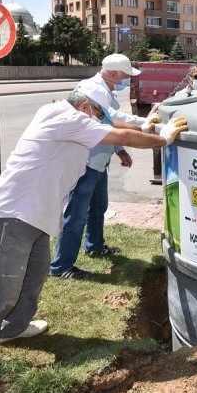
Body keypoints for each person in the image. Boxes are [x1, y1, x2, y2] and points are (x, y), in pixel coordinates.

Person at [0, 91, 187, 375]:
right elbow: (119, 136)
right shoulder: (67, 118)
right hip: (13, 215)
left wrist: (142, 125)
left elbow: (113, 125)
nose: (99, 122)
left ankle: (12, 328)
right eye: (97, 115)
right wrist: (163, 139)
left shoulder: (65, 116)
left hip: (34, 217)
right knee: (0, 286)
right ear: (85, 107)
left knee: (34, 276)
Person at [60, 54, 148, 261]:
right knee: (77, 213)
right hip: (86, 163)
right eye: (125, 76)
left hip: (98, 162)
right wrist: (145, 123)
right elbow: (112, 119)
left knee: (99, 207)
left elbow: (107, 127)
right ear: (113, 74)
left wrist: (119, 149)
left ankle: (95, 246)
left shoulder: (104, 90)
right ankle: (62, 265)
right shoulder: (94, 90)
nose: (128, 80)